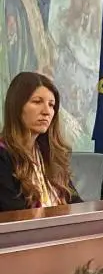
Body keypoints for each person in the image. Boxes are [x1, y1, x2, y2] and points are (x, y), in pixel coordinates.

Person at [0, 71, 78, 212]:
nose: (47, 111)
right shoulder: (3, 155)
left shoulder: (51, 154)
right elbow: (14, 214)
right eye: (37, 102)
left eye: (51, 105)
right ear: (17, 106)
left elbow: (76, 204)